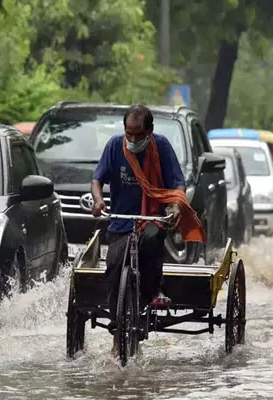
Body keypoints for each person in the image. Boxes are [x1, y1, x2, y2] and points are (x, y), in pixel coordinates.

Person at [91, 104, 205, 356]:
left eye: (138, 134)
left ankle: (153, 291)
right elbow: (97, 178)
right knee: (113, 267)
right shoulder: (114, 146)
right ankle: (117, 326)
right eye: (128, 133)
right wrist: (99, 200)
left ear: (150, 131)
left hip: (151, 217)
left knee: (153, 239)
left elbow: (177, 182)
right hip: (121, 221)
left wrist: (175, 206)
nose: (132, 139)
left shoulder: (161, 146)